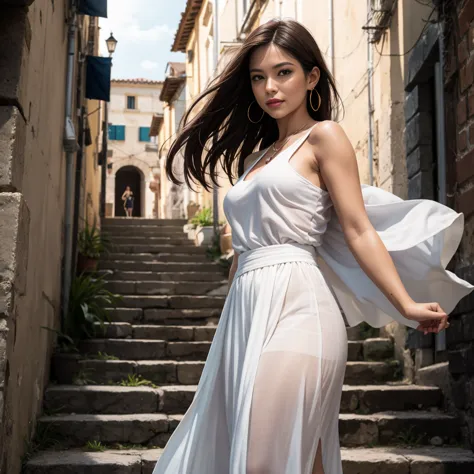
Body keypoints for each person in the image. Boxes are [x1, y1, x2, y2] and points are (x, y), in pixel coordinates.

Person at [153, 19, 473, 474]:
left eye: (284, 73)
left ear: (312, 77)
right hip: (246, 311)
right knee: (299, 460)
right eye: (259, 77)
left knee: (265, 461)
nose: (270, 88)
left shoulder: (324, 137)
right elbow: (246, 248)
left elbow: (358, 228)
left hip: (301, 305)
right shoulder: (253, 160)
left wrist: (404, 303)